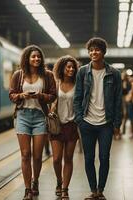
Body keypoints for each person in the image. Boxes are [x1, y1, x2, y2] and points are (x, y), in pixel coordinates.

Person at [73, 37, 122, 200]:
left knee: (104, 157)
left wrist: (117, 124)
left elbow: (117, 100)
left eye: (97, 49)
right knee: (88, 158)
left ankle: (101, 190)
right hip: (86, 121)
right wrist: (79, 118)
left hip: (106, 124)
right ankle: (93, 190)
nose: (94, 52)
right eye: (91, 50)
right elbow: (78, 96)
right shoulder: (82, 72)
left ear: (103, 52)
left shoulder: (114, 73)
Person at [9, 45, 56, 200]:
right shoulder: (18, 75)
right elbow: (11, 95)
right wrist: (22, 95)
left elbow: (53, 96)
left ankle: (36, 181)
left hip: (40, 116)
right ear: (27, 59)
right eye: (33, 56)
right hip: (22, 115)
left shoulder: (47, 75)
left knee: (37, 156)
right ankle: (28, 189)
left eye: (38, 57)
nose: (36, 59)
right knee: (25, 154)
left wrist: (40, 96)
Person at [49, 55, 80, 199]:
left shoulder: (78, 84)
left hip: (72, 125)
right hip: (57, 125)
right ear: (62, 68)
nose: (71, 69)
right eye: (68, 67)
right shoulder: (56, 83)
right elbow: (49, 100)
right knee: (56, 158)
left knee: (68, 158)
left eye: (73, 67)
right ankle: (59, 181)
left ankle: (65, 189)